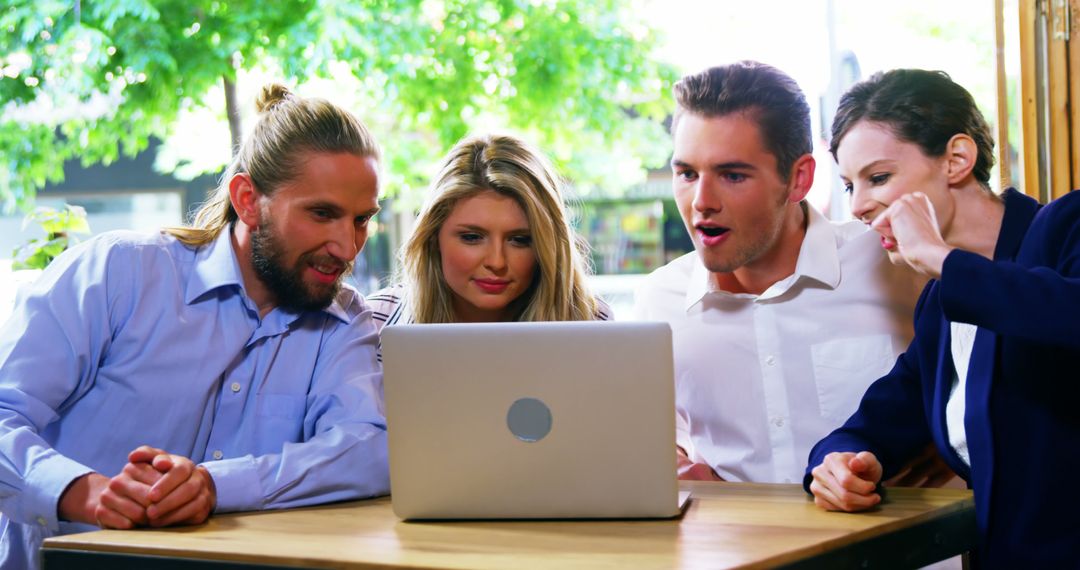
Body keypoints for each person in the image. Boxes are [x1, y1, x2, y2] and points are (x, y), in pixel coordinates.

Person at [0, 84, 390, 568]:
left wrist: (214, 484)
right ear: (248, 200)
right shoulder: (118, 273)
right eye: (322, 214)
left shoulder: (343, 320)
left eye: (360, 220)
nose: (347, 247)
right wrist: (82, 490)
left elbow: (368, 449)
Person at [806, 69, 1080, 567]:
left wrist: (941, 258)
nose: (860, 206)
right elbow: (882, 418)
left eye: (879, 178)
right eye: (849, 186)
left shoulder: (1066, 227)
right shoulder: (940, 305)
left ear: (957, 159)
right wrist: (836, 464)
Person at [632, 61, 945, 485]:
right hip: (738, 550)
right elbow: (658, 442)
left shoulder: (898, 265)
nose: (701, 201)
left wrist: (953, 446)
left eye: (732, 175)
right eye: (686, 173)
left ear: (798, 179)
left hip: (899, 550)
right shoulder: (658, 301)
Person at [368, 133, 610, 334]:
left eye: (520, 240)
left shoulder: (592, 323)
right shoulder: (372, 323)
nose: (497, 262)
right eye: (472, 237)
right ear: (433, 237)